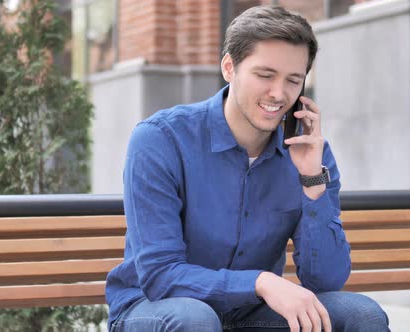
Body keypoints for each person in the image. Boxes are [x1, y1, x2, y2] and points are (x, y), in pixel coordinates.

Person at [106, 5, 390, 332]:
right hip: (154, 310)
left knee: (361, 314)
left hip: (248, 314)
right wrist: (261, 282)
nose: (278, 93)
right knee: (195, 320)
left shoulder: (311, 154)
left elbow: (325, 279)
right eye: (265, 75)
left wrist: (312, 184)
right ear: (229, 67)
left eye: (293, 80)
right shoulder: (161, 139)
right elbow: (160, 275)